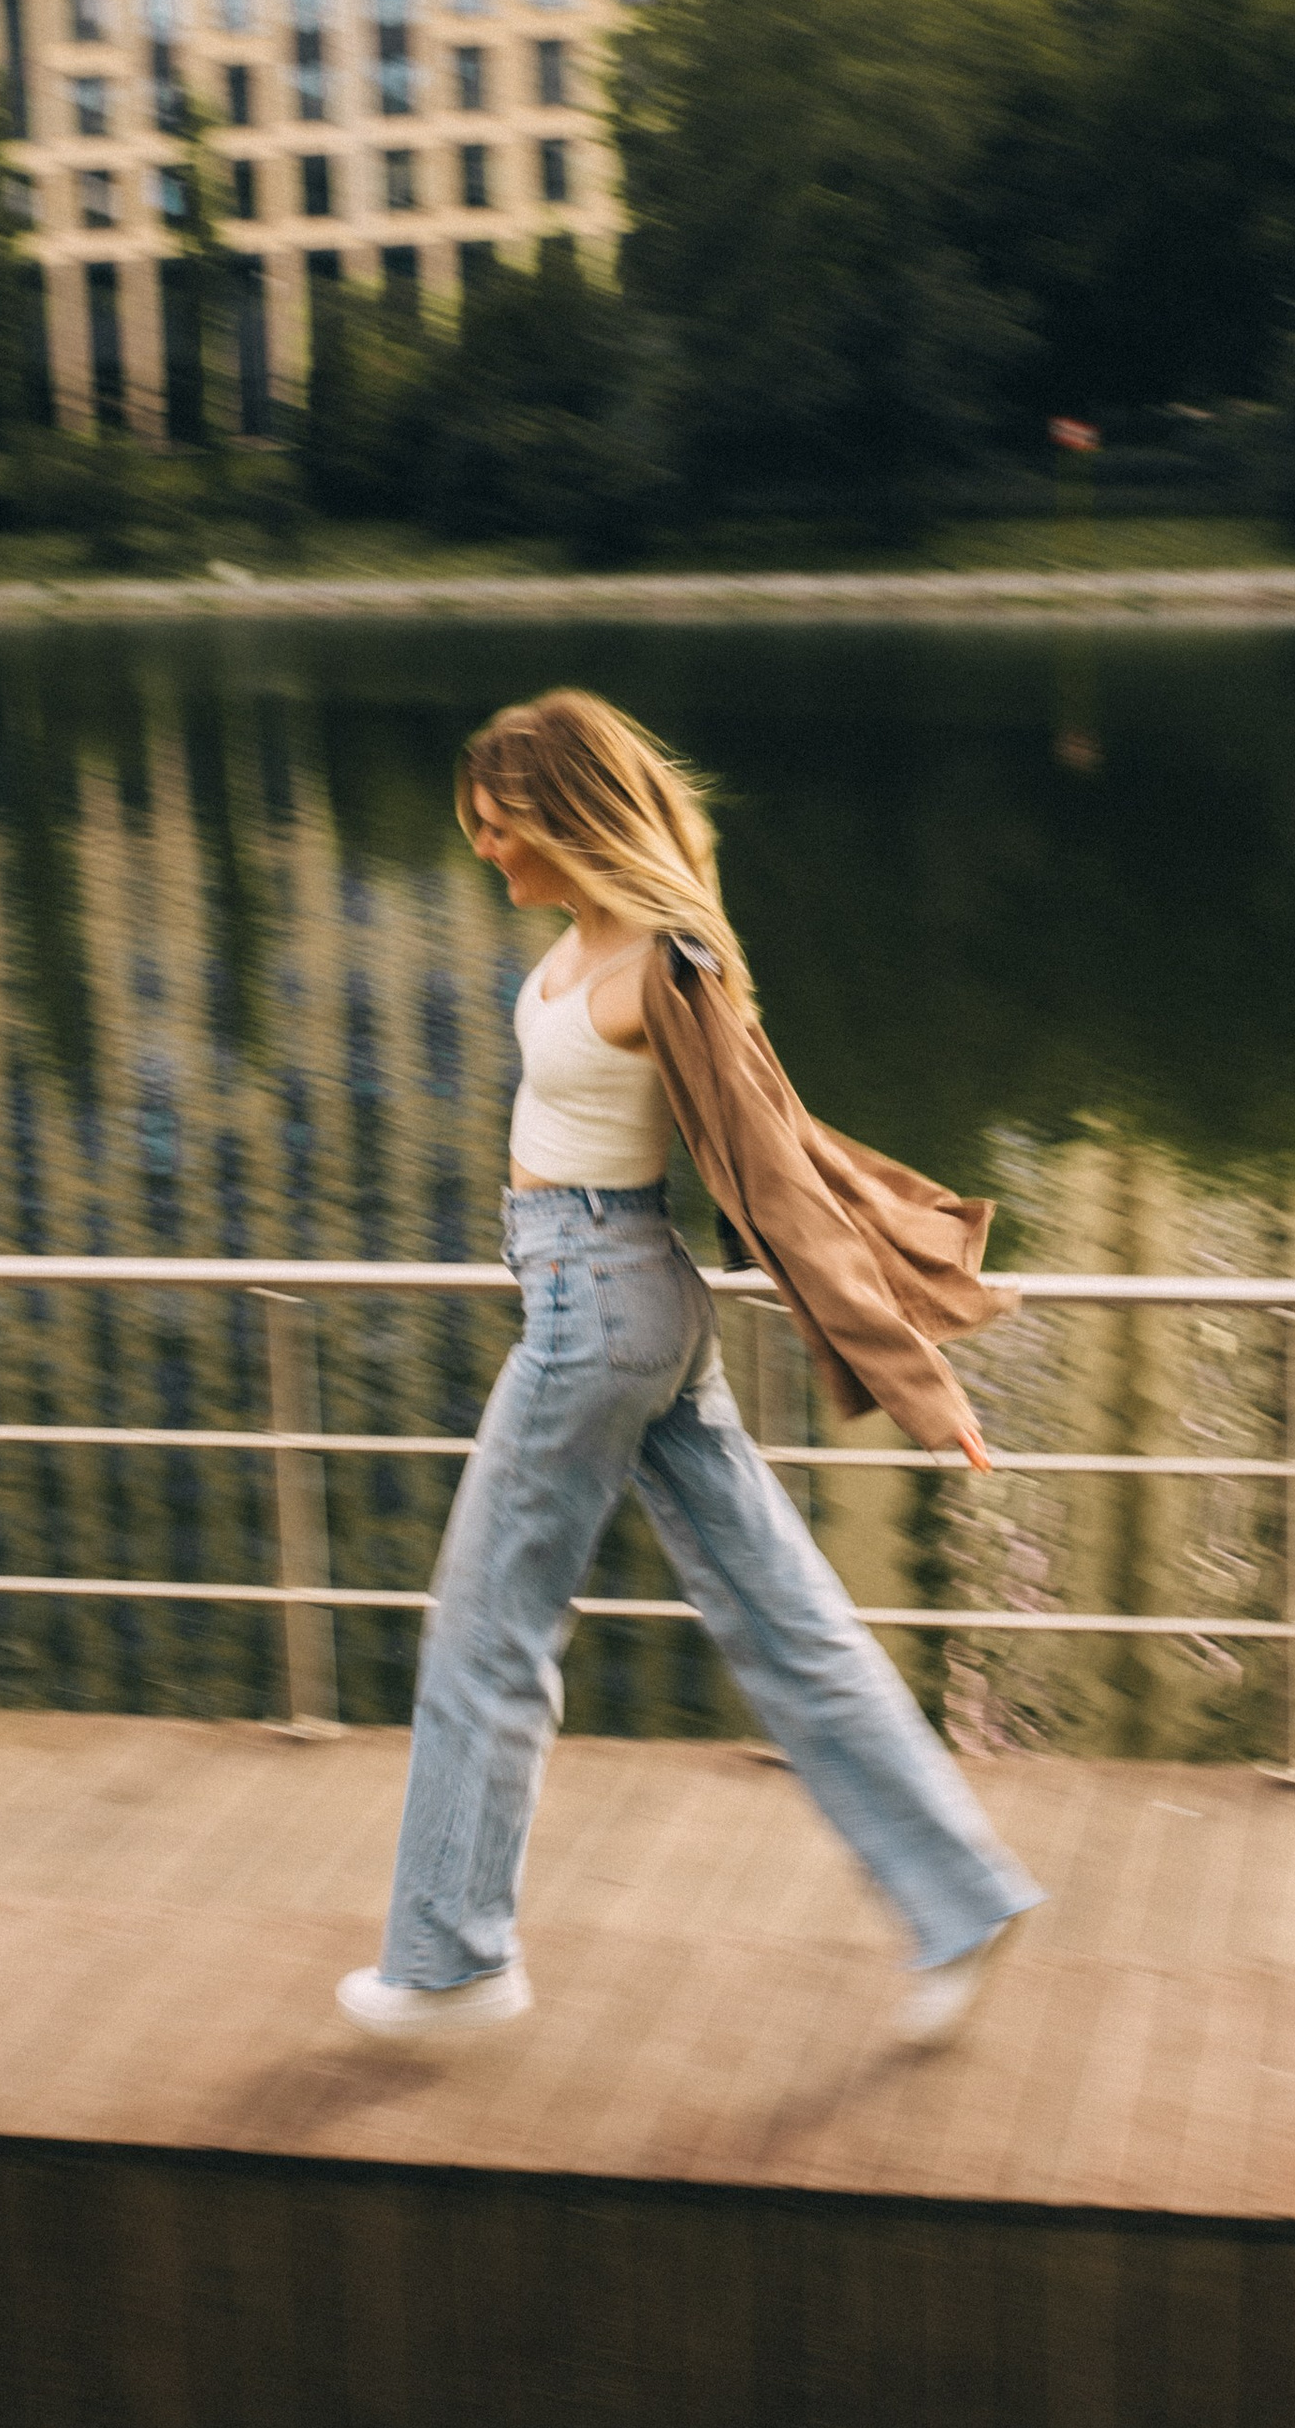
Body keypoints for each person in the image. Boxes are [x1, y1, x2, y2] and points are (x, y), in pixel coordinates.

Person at [338, 689, 1043, 2052]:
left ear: (568, 815)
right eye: (478, 831)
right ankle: (962, 1898)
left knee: (486, 1629)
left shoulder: (668, 965)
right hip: (612, 1300)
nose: (488, 853)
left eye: (502, 828)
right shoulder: (592, 939)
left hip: (599, 1313)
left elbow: (783, 1172)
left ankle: (450, 1963)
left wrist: (922, 1380)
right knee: (785, 1615)